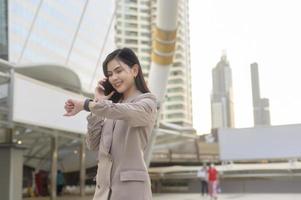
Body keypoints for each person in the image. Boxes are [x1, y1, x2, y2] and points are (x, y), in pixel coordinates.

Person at [64, 47, 157, 200]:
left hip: (131, 192)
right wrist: (98, 104)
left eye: (118, 71)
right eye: (110, 74)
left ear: (134, 70)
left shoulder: (147, 103)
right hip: (103, 193)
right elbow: (93, 144)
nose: (114, 78)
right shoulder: (111, 110)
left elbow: (125, 111)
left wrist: (87, 104)